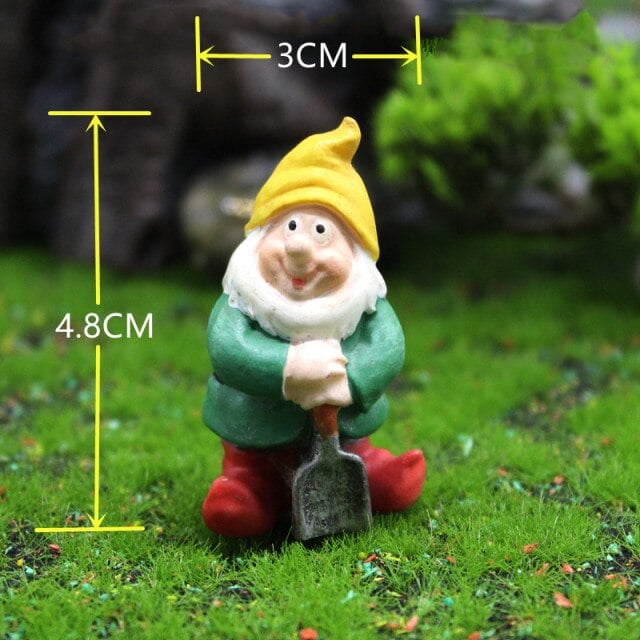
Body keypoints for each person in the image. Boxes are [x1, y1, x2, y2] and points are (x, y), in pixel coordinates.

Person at [201, 117, 425, 537]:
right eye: (289, 226)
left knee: (357, 455)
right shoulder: (242, 302)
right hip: (256, 429)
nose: (298, 248)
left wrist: (350, 380)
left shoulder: (364, 305)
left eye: (322, 231)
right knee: (249, 471)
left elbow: (387, 346)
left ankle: (373, 475)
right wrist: (287, 367)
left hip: (345, 432)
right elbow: (228, 347)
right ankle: (246, 491)